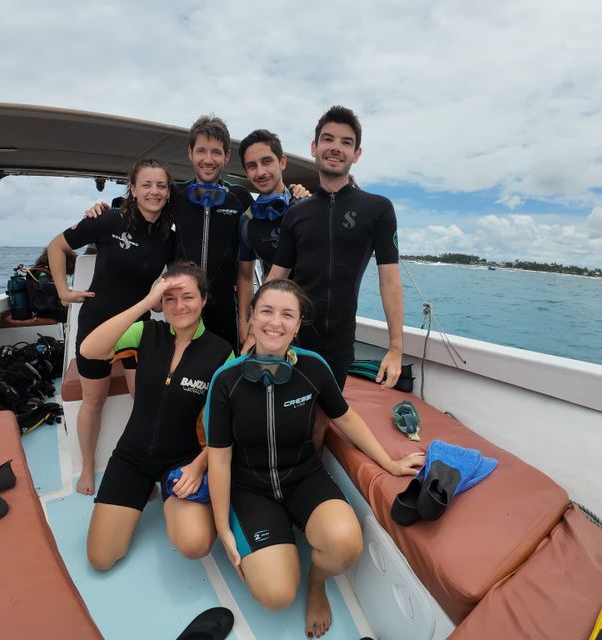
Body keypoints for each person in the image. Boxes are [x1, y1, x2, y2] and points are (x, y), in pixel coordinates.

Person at [206, 279, 423, 638]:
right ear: (251, 316)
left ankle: (317, 583)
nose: (275, 322)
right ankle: (279, 547)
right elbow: (219, 460)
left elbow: (347, 418)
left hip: (304, 477)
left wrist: (390, 463)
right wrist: (223, 528)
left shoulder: (313, 367)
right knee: (275, 595)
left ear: (297, 325)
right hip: (251, 489)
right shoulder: (226, 381)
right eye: (266, 311)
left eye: (287, 314)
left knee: (345, 544)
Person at [266, 106, 405, 450]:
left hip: (340, 341)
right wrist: (256, 327)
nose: (335, 147)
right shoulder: (296, 213)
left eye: (346, 142)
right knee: (280, 416)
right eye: (327, 139)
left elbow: (389, 279)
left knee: (318, 426)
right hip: (293, 335)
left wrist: (396, 349)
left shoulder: (378, 209)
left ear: (356, 155)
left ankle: (306, 485)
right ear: (314, 146)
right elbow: (277, 275)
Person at [80, 261, 233, 570]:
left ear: (204, 299)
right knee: (101, 559)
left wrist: (199, 464)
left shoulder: (221, 353)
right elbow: (89, 350)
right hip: (132, 457)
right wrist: (146, 303)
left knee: (195, 544)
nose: (179, 306)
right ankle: (147, 488)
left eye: (188, 296)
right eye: (169, 298)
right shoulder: (145, 333)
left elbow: (228, 425)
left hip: (182, 461)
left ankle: (168, 496)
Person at [48, 158, 176, 495]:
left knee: (144, 401)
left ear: (168, 192)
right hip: (98, 324)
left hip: (137, 328)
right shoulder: (107, 219)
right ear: (132, 189)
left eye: (161, 186)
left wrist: (164, 301)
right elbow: (57, 246)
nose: (154, 191)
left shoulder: (168, 237)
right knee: (94, 401)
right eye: (146, 184)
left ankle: (137, 467)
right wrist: (62, 291)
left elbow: (169, 286)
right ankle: (88, 467)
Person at [85, 116, 254, 351]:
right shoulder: (176, 194)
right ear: (190, 153)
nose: (208, 159)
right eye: (201, 151)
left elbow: (246, 273)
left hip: (224, 309)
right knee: (180, 372)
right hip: (180, 304)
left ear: (226, 156)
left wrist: (245, 320)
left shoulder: (240, 198)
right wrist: (101, 210)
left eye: (216, 152)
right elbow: (137, 210)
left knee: (222, 375)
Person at [236, 129, 308, 345]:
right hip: (276, 320)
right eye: (252, 166)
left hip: (312, 317)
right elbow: (246, 276)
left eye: (267, 161)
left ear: (282, 162)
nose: (260, 172)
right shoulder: (247, 221)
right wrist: (243, 322)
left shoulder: (306, 207)